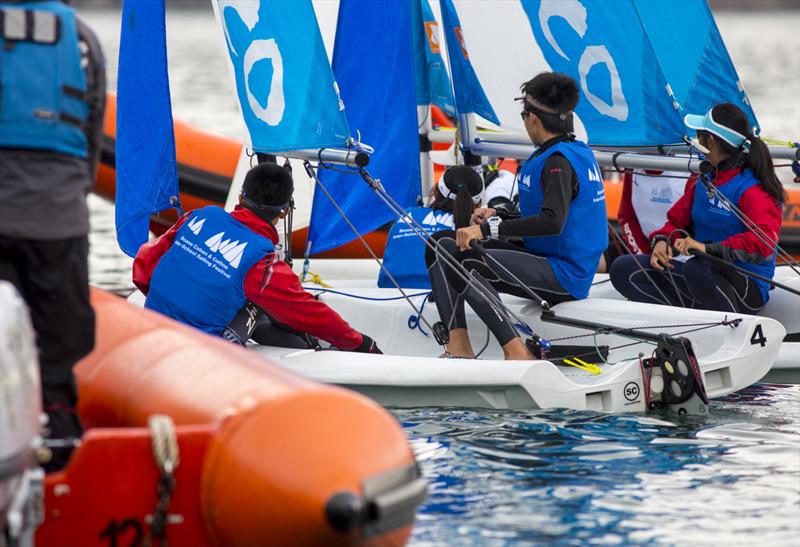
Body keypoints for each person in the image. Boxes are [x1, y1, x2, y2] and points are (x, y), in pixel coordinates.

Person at [425, 72, 607, 359]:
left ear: (533, 119)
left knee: (466, 259)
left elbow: (552, 221)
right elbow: (545, 210)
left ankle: (515, 350)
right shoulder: (567, 152)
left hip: (565, 273)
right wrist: (498, 212)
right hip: (547, 259)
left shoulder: (558, 162)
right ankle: (459, 345)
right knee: (440, 245)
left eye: (524, 115)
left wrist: (485, 231)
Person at [0, 0, 106, 470]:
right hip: (59, 219)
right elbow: (92, 134)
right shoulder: (80, 37)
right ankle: (60, 436)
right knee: (60, 343)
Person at [133, 162, 382, 353]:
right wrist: (361, 343)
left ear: (241, 198)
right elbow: (307, 312)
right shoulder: (260, 263)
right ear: (285, 212)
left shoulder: (197, 216)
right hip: (199, 354)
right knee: (260, 304)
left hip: (149, 328)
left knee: (249, 298)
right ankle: (312, 350)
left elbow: (143, 266)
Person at [609, 103, 784, 313]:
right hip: (704, 276)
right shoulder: (705, 181)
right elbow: (675, 223)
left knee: (698, 267)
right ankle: (678, 323)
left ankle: (729, 328)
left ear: (710, 141)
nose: (696, 143)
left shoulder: (753, 188)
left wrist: (707, 249)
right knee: (623, 268)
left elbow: (763, 244)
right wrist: (662, 241)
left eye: (699, 136)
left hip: (747, 287)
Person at [378, 165, 483, 289]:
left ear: (436, 191)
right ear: (478, 203)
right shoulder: (473, 230)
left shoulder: (405, 213)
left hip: (388, 291)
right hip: (440, 300)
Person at [599, 169, 689, 272]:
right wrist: (642, 254)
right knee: (593, 255)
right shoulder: (633, 169)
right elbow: (627, 217)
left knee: (620, 267)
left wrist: (662, 246)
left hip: (677, 255)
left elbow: (683, 221)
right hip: (643, 246)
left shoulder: (692, 170)